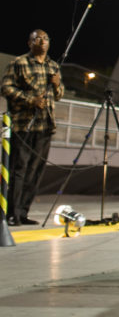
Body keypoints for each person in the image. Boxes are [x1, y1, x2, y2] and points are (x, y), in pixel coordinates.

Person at [2, 30, 64, 226]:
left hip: (45, 126)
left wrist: (56, 85)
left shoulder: (53, 66)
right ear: (29, 43)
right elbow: (6, 88)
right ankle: (11, 212)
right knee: (18, 169)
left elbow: (59, 95)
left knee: (35, 172)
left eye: (46, 38)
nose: (42, 41)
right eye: (38, 38)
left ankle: (23, 212)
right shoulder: (19, 63)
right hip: (24, 125)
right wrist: (30, 100)